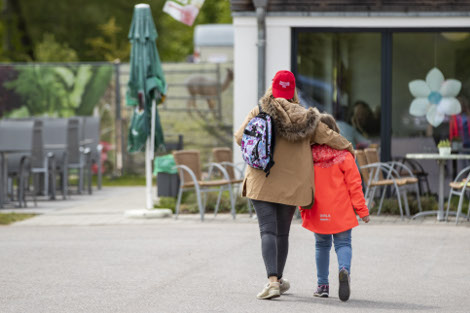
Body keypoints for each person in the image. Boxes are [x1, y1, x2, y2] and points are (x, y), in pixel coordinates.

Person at [234, 70, 354, 300]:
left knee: (267, 230)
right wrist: (349, 147)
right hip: (292, 186)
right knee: (282, 233)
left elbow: (240, 137)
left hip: (262, 179)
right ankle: (277, 279)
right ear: (293, 91)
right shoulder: (308, 117)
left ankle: (273, 282)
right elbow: (330, 137)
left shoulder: (259, 111)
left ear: (273, 88)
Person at [300, 113, 370, 302]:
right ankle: (343, 269)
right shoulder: (345, 156)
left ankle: (322, 285)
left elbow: (302, 185)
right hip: (341, 211)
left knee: (321, 246)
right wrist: (362, 211)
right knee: (343, 244)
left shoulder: (308, 157)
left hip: (318, 211)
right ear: (335, 132)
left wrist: (302, 209)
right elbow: (355, 185)